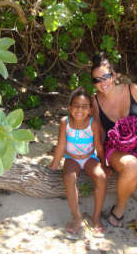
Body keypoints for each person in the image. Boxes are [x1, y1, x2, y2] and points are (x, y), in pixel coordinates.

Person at [91, 52, 137, 240]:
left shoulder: (132, 89)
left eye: (105, 76)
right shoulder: (95, 101)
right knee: (132, 165)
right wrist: (102, 162)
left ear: (113, 75)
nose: (102, 83)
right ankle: (120, 206)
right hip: (115, 146)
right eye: (97, 80)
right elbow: (99, 134)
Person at [48, 87, 107, 236]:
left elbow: (99, 146)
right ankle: (77, 217)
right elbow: (61, 146)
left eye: (84, 106)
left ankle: (96, 218)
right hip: (71, 158)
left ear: (90, 109)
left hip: (89, 158)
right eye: (76, 105)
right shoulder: (64, 122)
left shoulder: (93, 123)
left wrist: (104, 164)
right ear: (69, 107)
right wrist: (54, 166)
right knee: (68, 177)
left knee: (101, 177)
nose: (79, 109)